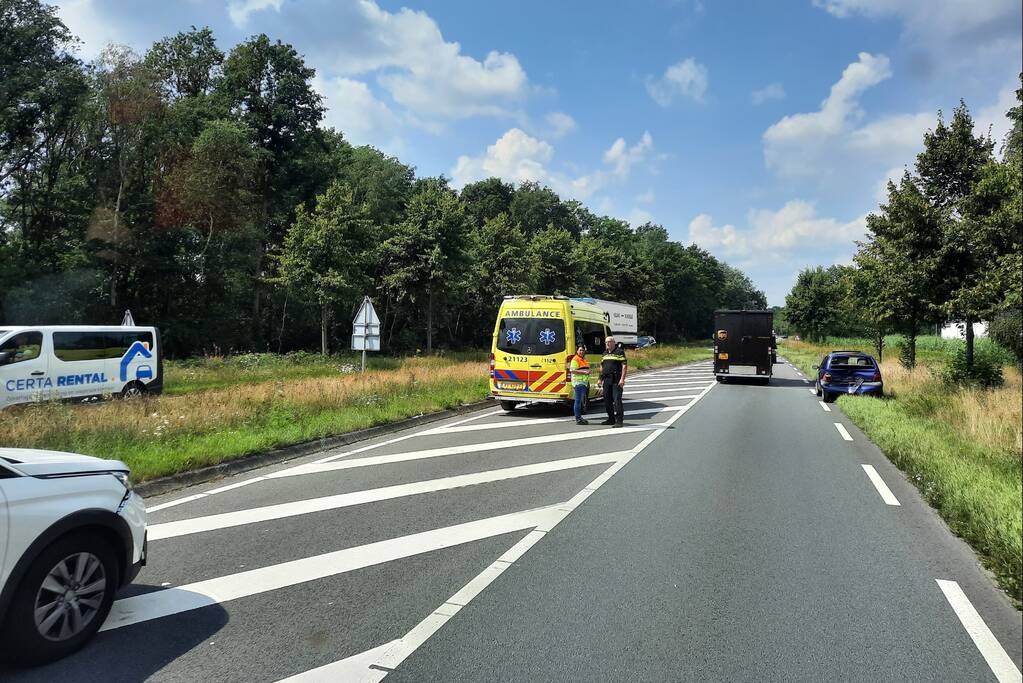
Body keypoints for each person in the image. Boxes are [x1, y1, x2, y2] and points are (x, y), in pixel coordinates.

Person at [600, 335, 627, 427]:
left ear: (614, 343)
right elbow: (602, 366)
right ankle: (611, 419)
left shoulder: (619, 352)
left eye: (609, 341)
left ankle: (619, 421)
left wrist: (622, 379)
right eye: (606, 342)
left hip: (616, 380)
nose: (608, 343)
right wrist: (600, 378)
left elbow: (624, 366)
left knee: (617, 400)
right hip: (606, 380)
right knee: (607, 400)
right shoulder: (604, 353)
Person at [569, 343, 591, 425]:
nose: (581, 351)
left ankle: (579, 417)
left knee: (580, 401)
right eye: (580, 350)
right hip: (578, 383)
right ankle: (578, 418)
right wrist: (584, 372)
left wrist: (588, 372)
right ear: (577, 351)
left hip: (583, 383)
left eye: (582, 350)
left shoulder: (583, 359)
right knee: (578, 401)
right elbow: (572, 370)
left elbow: (586, 369)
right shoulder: (575, 359)